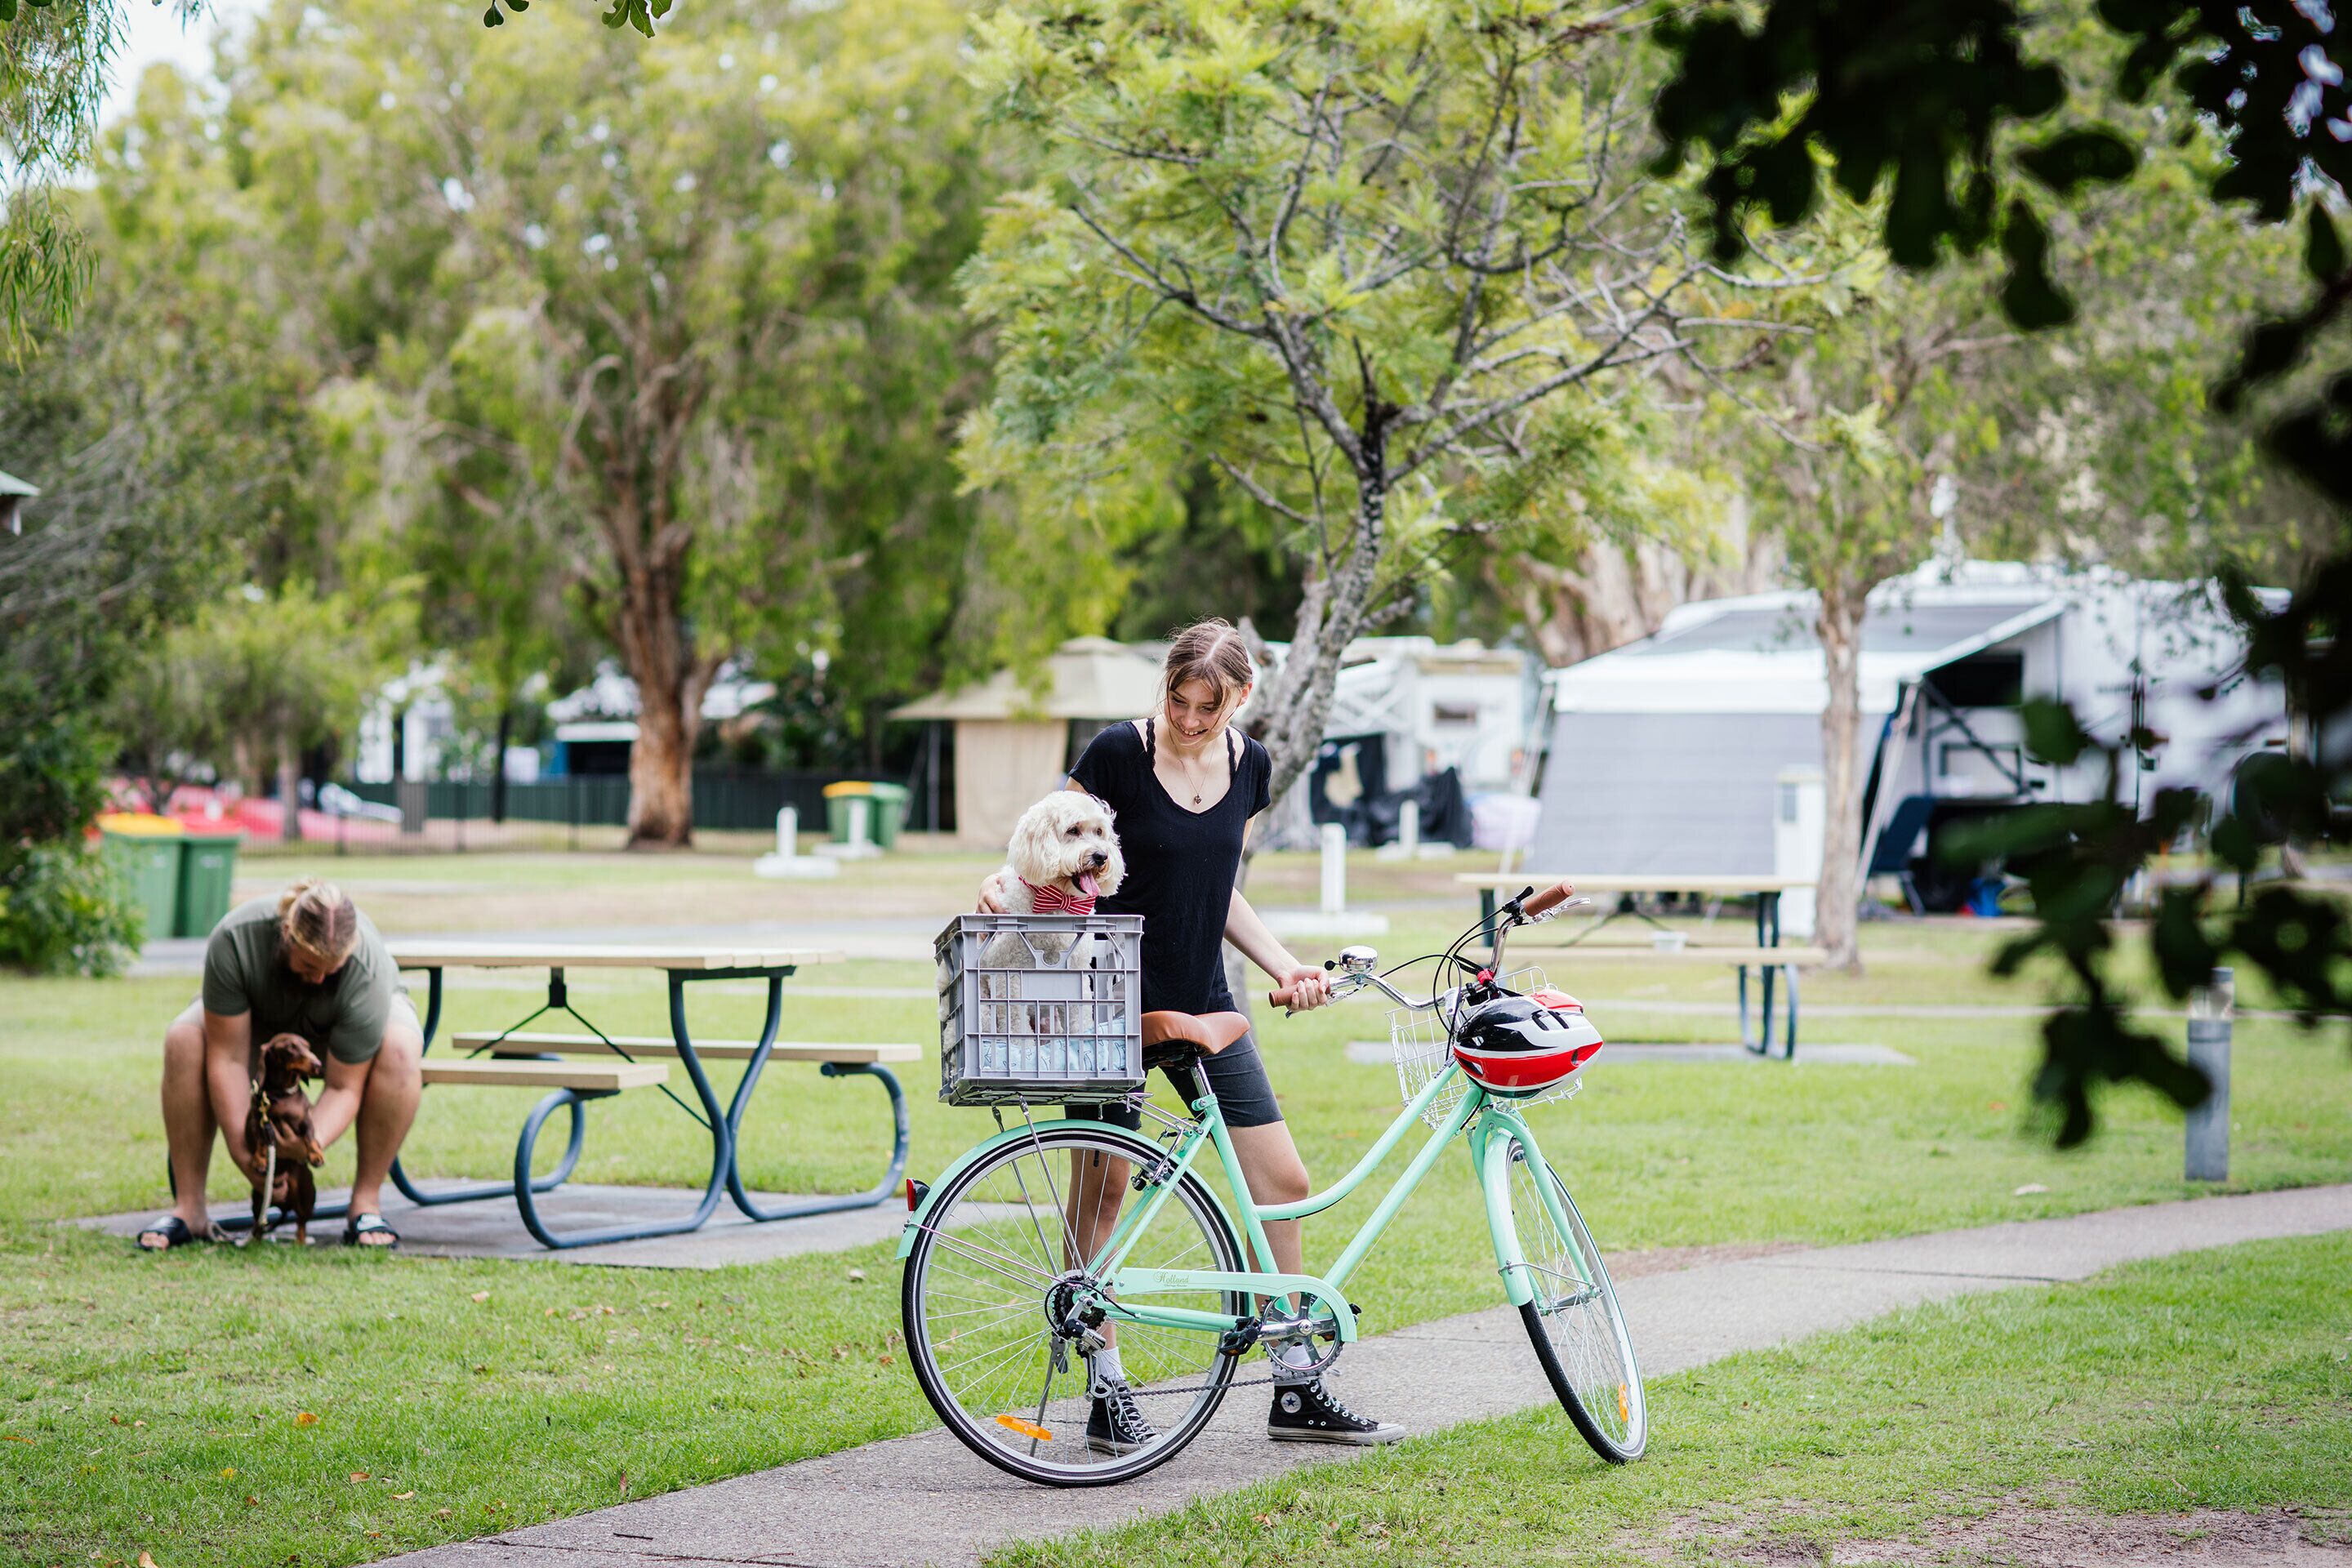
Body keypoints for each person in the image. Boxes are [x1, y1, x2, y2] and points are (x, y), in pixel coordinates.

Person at [977, 618, 1405, 1451]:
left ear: (1241, 698)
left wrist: (1286, 966)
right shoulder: (1116, 754)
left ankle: (1295, 1383)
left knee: (1281, 1180)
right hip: (1102, 996)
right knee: (1101, 1188)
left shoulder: (1253, 765)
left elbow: (1222, 886)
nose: (1191, 720)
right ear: (1165, 687)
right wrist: (1003, 882)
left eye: (1210, 706)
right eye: (1180, 700)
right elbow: (1050, 834)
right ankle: (1106, 1390)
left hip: (1202, 997)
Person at [138, 879, 422, 1250]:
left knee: (400, 1049)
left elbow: (343, 1086)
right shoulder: (236, 938)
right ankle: (189, 1209)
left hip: (336, 1029)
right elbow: (229, 1058)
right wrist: (248, 1154)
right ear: (287, 933)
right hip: (257, 1022)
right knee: (183, 1039)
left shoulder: (365, 965)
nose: (319, 977)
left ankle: (365, 1204)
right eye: (308, 964)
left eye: (331, 969)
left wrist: (302, 1146)